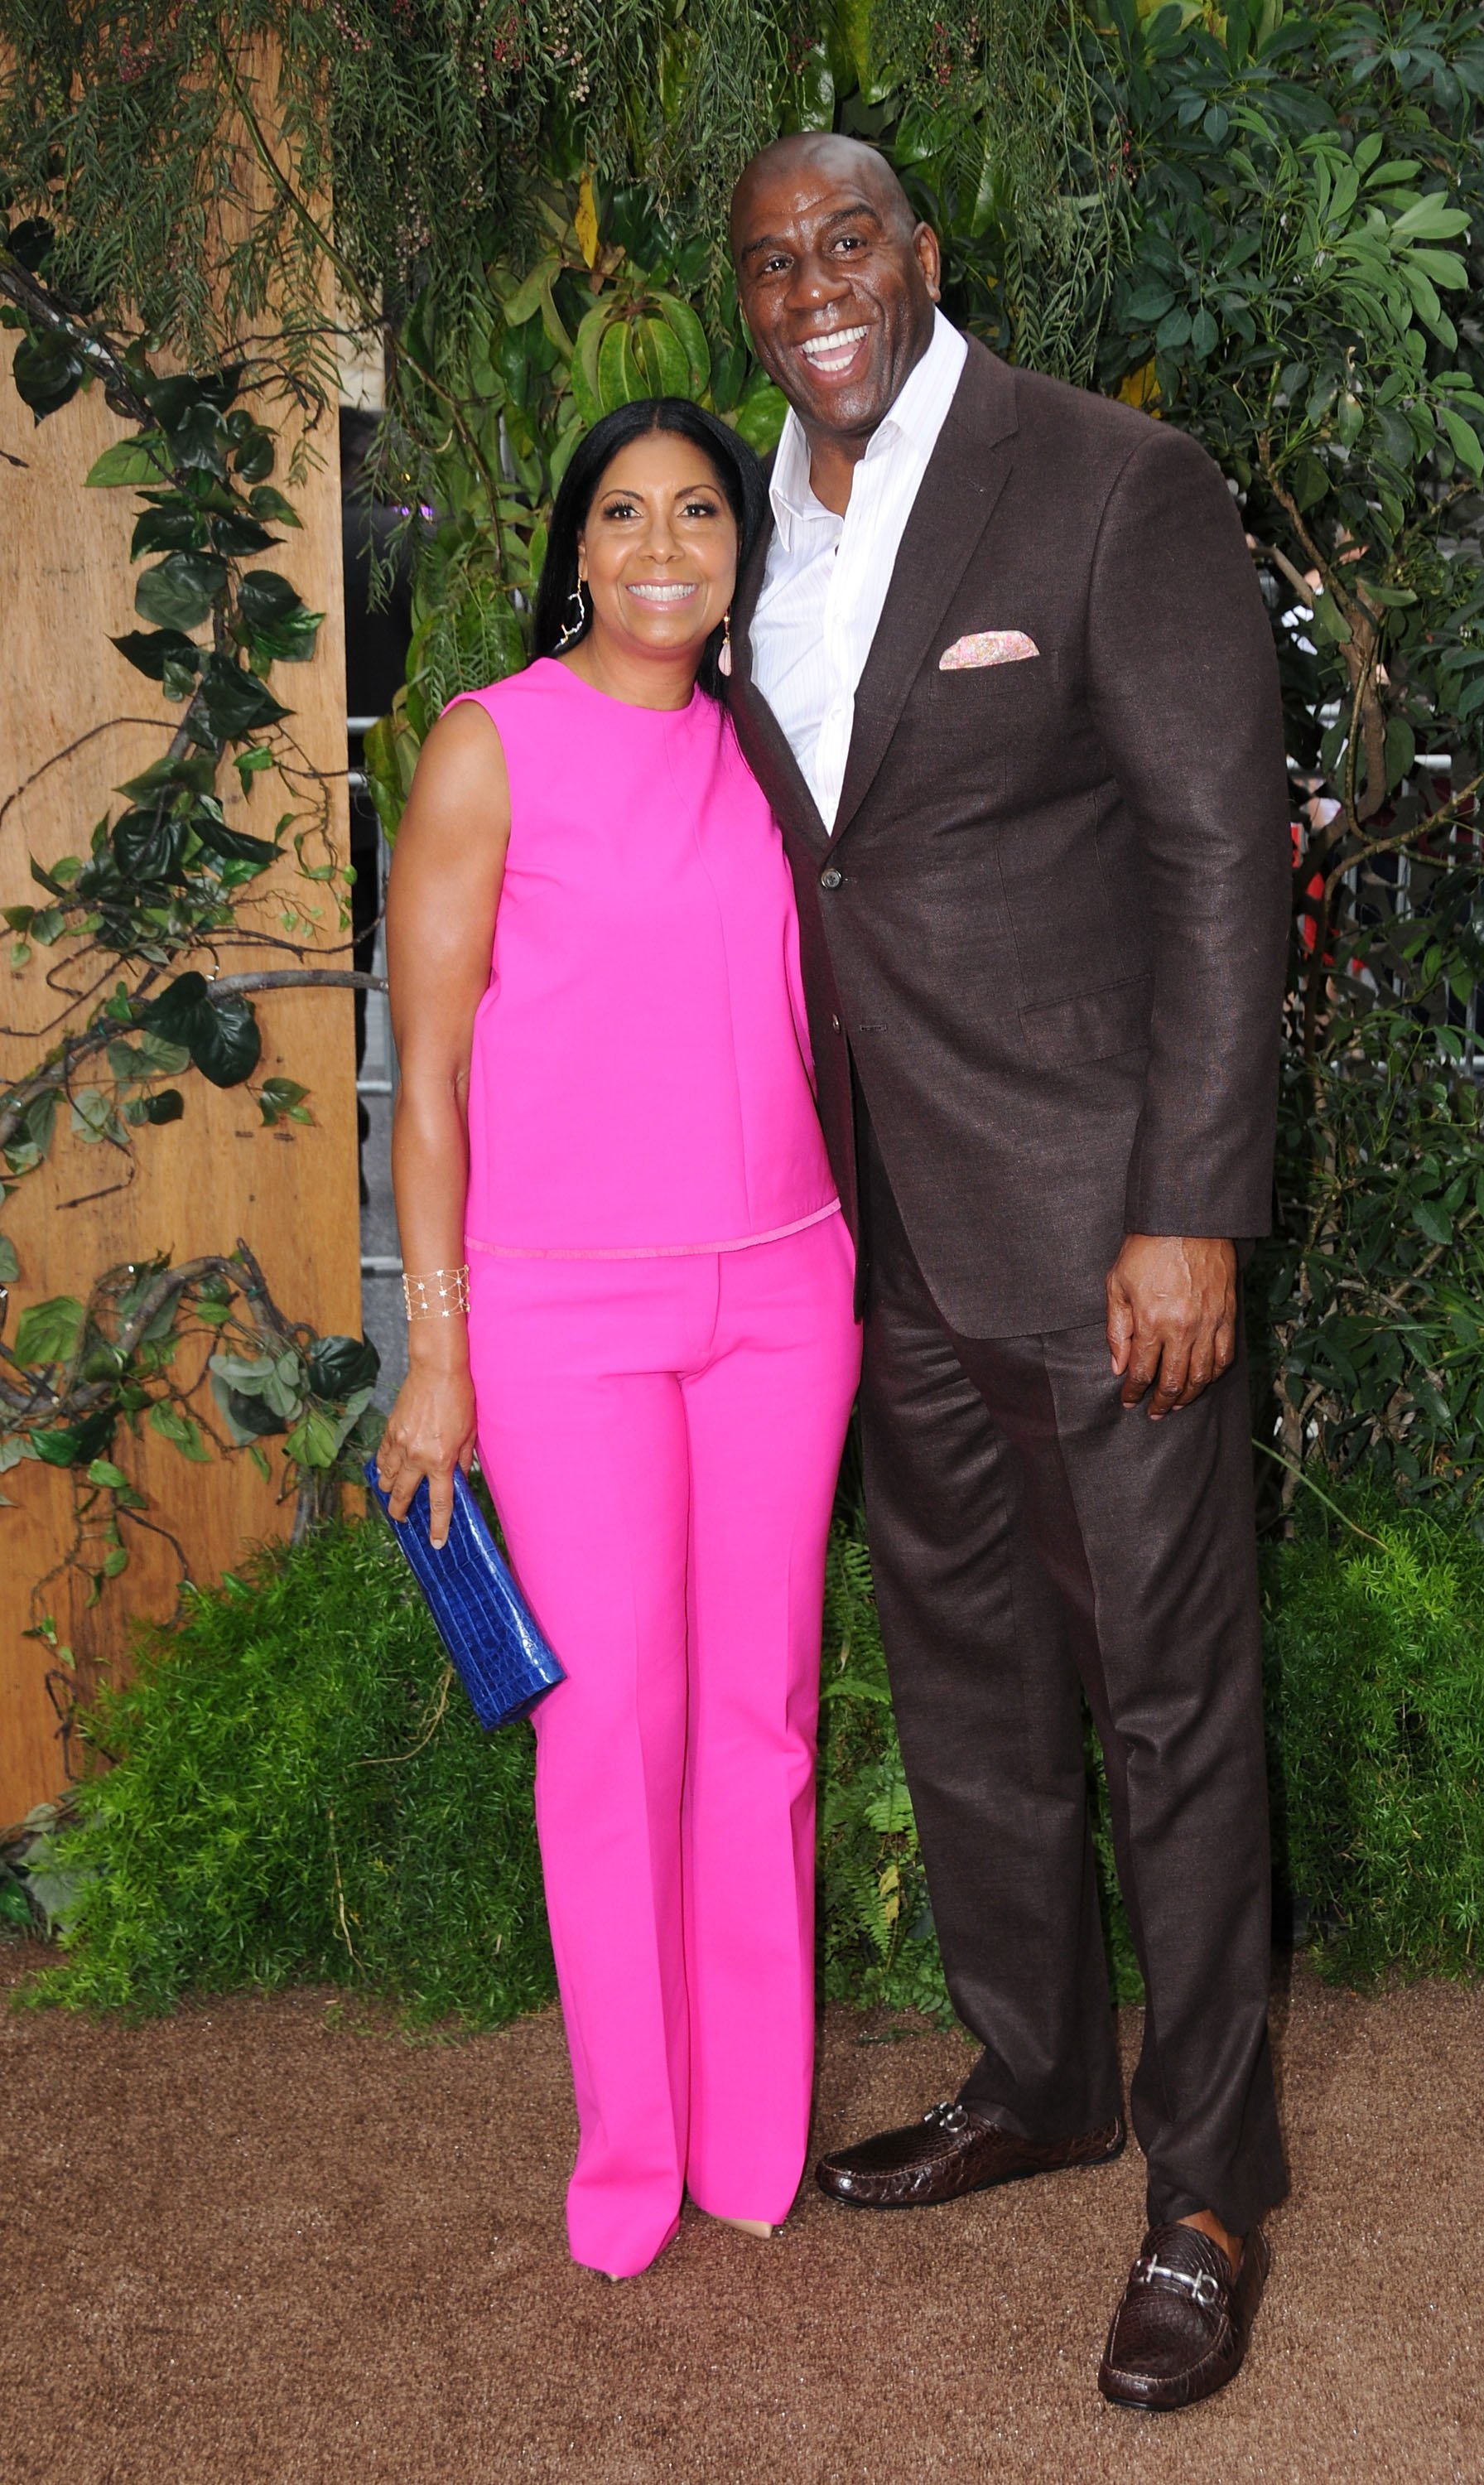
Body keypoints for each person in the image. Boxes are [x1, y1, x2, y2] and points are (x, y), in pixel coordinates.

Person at [725, 134, 1292, 2412]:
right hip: (869, 1227)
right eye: (770, 263)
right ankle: (1041, 2076)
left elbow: (1213, 857)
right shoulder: (741, 519)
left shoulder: (1107, 481)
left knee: (1163, 1701)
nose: (811, 287)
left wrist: (1192, 1204)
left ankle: (1208, 2187)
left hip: (1099, 1223)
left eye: (845, 240)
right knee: (966, 1692)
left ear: (921, 254)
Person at [373, 398, 861, 2283]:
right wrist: (439, 1354)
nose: (664, 546)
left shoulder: (778, 749)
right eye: (625, 514)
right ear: (575, 544)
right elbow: (424, 1093)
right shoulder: (490, 748)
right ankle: (630, 2156)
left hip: (784, 1297)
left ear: (743, 552)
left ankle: (753, 2141)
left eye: (700, 517)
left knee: (762, 1727)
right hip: (564, 1315)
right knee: (608, 1736)